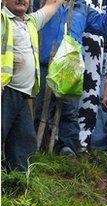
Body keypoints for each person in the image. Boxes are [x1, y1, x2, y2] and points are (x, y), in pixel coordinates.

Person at [33, 0, 107, 156]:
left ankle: (67, 150)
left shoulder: (82, 8)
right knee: (37, 110)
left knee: (69, 113)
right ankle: (32, 149)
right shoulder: (40, 3)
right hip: (42, 65)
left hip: (69, 70)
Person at [1, 0, 60, 171]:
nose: (21, 0)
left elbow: (51, 6)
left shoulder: (31, 21)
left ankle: (19, 182)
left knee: (24, 140)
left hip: (22, 94)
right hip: (6, 91)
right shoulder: (2, 19)